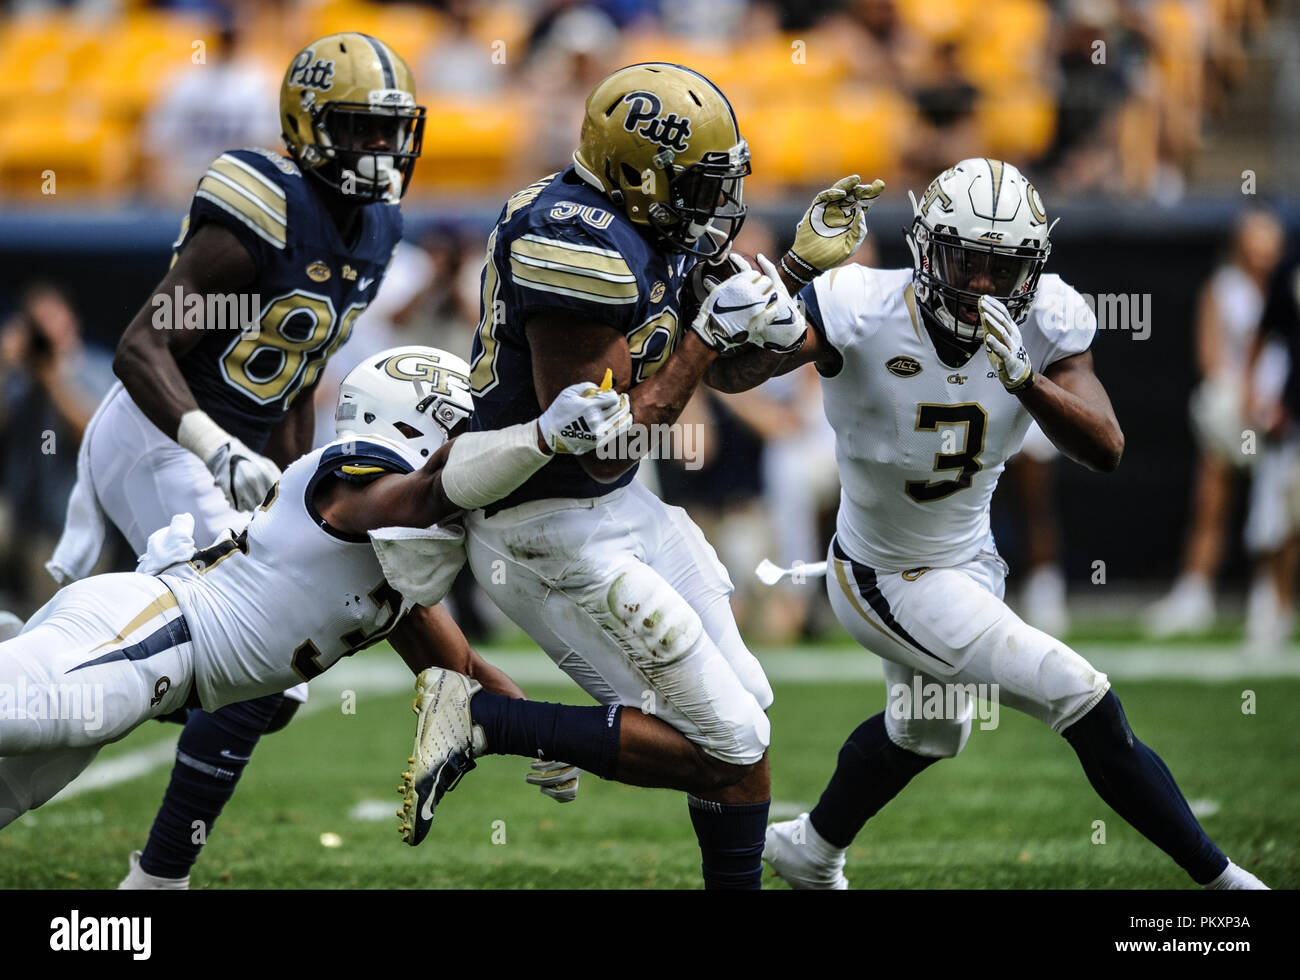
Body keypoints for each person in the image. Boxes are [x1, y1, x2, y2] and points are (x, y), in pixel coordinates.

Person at [400, 62, 883, 889]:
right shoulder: (572, 238)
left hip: (618, 509)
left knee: (746, 721)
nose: (712, 202)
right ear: (636, 173)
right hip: (544, 531)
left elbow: (726, 375)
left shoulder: (651, 222)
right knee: (728, 744)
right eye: (696, 182)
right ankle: (482, 720)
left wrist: (795, 278)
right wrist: (702, 335)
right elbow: (599, 441)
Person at [750, 158, 1266, 889]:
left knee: (928, 731)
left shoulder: (1049, 314)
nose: (984, 284)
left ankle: (811, 848)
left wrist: (1026, 379)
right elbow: (736, 373)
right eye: (967, 261)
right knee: (1077, 690)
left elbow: (1106, 447)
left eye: (1003, 266)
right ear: (927, 250)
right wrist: (792, 278)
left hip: (968, 560)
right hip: (882, 574)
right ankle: (1227, 887)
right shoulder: (859, 305)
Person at [46, 33, 428, 888]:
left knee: (268, 682)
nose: (380, 148)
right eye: (360, 128)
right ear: (308, 126)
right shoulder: (265, 202)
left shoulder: (379, 228)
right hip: (162, 432)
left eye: (390, 129)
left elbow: (300, 368)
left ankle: (81, 653)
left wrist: (294, 493)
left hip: (235, 448)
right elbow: (141, 349)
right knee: (254, 664)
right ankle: (156, 879)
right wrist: (215, 449)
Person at [0, 347, 632, 843]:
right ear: (425, 422)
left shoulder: (392, 555)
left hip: (159, 662)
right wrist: (540, 438)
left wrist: (542, 737)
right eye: (467, 431)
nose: (476, 447)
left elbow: (461, 671)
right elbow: (423, 495)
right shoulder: (360, 477)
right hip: (152, 636)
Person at [1145, 209, 1286, 639]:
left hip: (1280, 415)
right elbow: (1210, 357)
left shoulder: (1288, 291)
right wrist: (1242, 400)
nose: (1262, 251)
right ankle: (1195, 593)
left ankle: (1271, 601)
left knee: (1276, 512)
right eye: (1254, 240)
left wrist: (1272, 402)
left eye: (1270, 241)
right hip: (1233, 413)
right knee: (1212, 502)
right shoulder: (1222, 290)